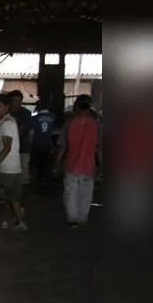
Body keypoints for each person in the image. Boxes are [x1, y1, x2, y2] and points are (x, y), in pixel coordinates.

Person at [55, 94, 100, 227]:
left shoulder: (69, 124)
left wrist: (56, 164)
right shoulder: (96, 124)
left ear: (76, 106)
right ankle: (82, 218)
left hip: (72, 165)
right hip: (88, 166)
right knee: (86, 194)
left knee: (71, 193)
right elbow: (100, 147)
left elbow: (63, 146)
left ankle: (73, 218)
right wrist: (101, 165)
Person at [0, 93, 28, 231]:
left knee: (3, 198)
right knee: (13, 199)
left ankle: (5, 222)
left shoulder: (7, 123)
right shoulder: (9, 121)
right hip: (13, 167)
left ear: (7, 106)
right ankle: (19, 222)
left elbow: (7, 146)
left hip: (6, 169)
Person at [8, 89, 34, 185]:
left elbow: (23, 130)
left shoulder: (25, 113)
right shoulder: (7, 113)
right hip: (9, 149)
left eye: (19, 101)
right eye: (14, 101)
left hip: (23, 148)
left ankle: (20, 197)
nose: (17, 103)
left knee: (22, 175)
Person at [30, 101, 57, 188]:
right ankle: (46, 180)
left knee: (38, 163)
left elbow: (32, 132)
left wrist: (30, 143)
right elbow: (53, 130)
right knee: (47, 162)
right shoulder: (52, 116)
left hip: (37, 143)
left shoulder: (35, 118)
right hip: (48, 143)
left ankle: (39, 180)